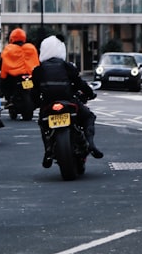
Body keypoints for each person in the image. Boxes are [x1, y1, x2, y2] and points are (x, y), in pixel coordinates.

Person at [32, 35, 103, 168]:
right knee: (88, 117)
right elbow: (79, 84)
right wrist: (90, 93)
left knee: (43, 124)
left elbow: (34, 92)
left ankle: (48, 150)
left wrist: (35, 103)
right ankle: (91, 144)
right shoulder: (67, 66)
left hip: (48, 105)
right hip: (69, 102)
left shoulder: (38, 70)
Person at [0, 28, 40, 102]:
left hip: (14, 77)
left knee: (4, 81)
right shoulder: (31, 48)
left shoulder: (8, 49)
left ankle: (7, 97)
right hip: (30, 74)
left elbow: (3, 64)